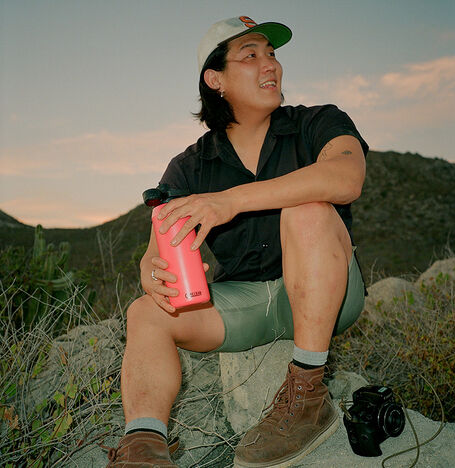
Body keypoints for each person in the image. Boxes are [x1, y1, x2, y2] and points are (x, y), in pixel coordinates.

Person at [105, 15, 368, 468]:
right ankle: (144, 448)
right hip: (244, 300)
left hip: (328, 291)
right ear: (216, 79)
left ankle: (307, 393)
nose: (271, 64)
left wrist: (230, 202)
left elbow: (346, 178)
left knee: (308, 208)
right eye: (251, 55)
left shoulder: (319, 122)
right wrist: (153, 273)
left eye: (272, 53)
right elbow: (155, 250)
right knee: (145, 312)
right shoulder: (189, 166)